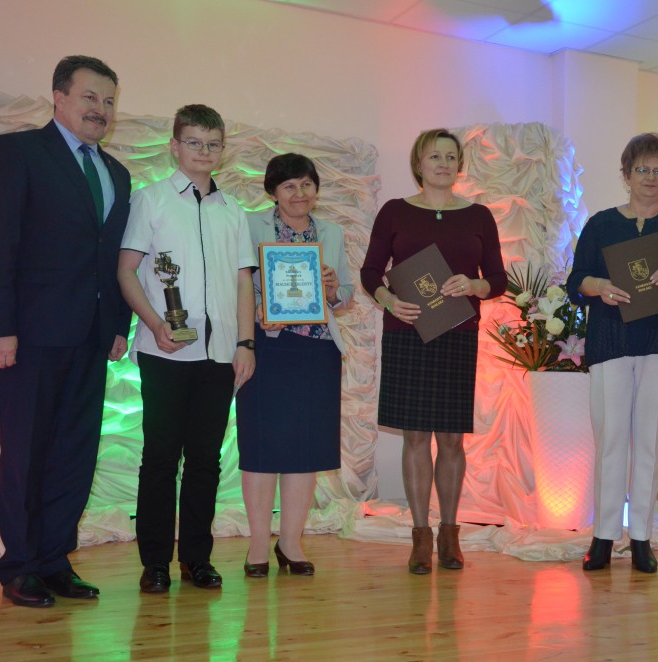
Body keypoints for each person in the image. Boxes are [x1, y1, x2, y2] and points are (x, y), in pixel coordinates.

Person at [0, 55, 131, 608]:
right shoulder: (17, 153)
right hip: (30, 336)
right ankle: (19, 564)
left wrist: (118, 324)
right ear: (59, 97)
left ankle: (54, 560)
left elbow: (113, 256)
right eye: (90, 97)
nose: (101, 109)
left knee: (74, 453)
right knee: (27, 452)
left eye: (108, 101)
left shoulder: (117, 173)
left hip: (92, 336)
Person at [118, 104, 256, 593]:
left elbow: (243, 282)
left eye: (213, 144)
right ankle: (154, 561)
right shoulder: (150, 199)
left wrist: (245, 343)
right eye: (194, 142)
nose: (204, 151)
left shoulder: (233, 210)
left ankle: (197, 558)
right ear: (174, 146)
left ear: (223, 150)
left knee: (205, 459)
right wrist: (154, 324)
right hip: (165, 351)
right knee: (160, 457)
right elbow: (126, 271)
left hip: (219, 355)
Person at [360, 129, 506, 574]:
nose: (443, 163)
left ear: (459, 165)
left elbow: (498, 279)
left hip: (457, 333)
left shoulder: (479, 215)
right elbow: (370, 272)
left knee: (452, 439)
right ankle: (420, 536)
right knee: (416, 437)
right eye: (434, 156)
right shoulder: (394, 211)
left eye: (450, 156)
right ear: (418, 163)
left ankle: (450, 534)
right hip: (407, 333)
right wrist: (389, 301)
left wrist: (474, 285)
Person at [567, 133, 658, 574]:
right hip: (611, 339)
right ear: (626, 174)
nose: (650, 177)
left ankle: (642, 538)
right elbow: (576, 282)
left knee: (647, 441)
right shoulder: (601, 224)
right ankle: (603, 537)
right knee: (611, 440)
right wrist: (600, 287)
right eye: (642, 169)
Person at [235, 154, 353, 578]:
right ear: (273, 192)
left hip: (318, 350)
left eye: (306, 184)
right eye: (289, 186)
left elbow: (346, 294)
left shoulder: (332, 232)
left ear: (316, 189)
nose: (299, 193)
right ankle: (257, 545)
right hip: (267, 348)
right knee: (261, 447)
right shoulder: (250, 226)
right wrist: (258, 311)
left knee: (306, 450)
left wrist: (334, 290)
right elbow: (238, 283)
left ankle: (290, 543)